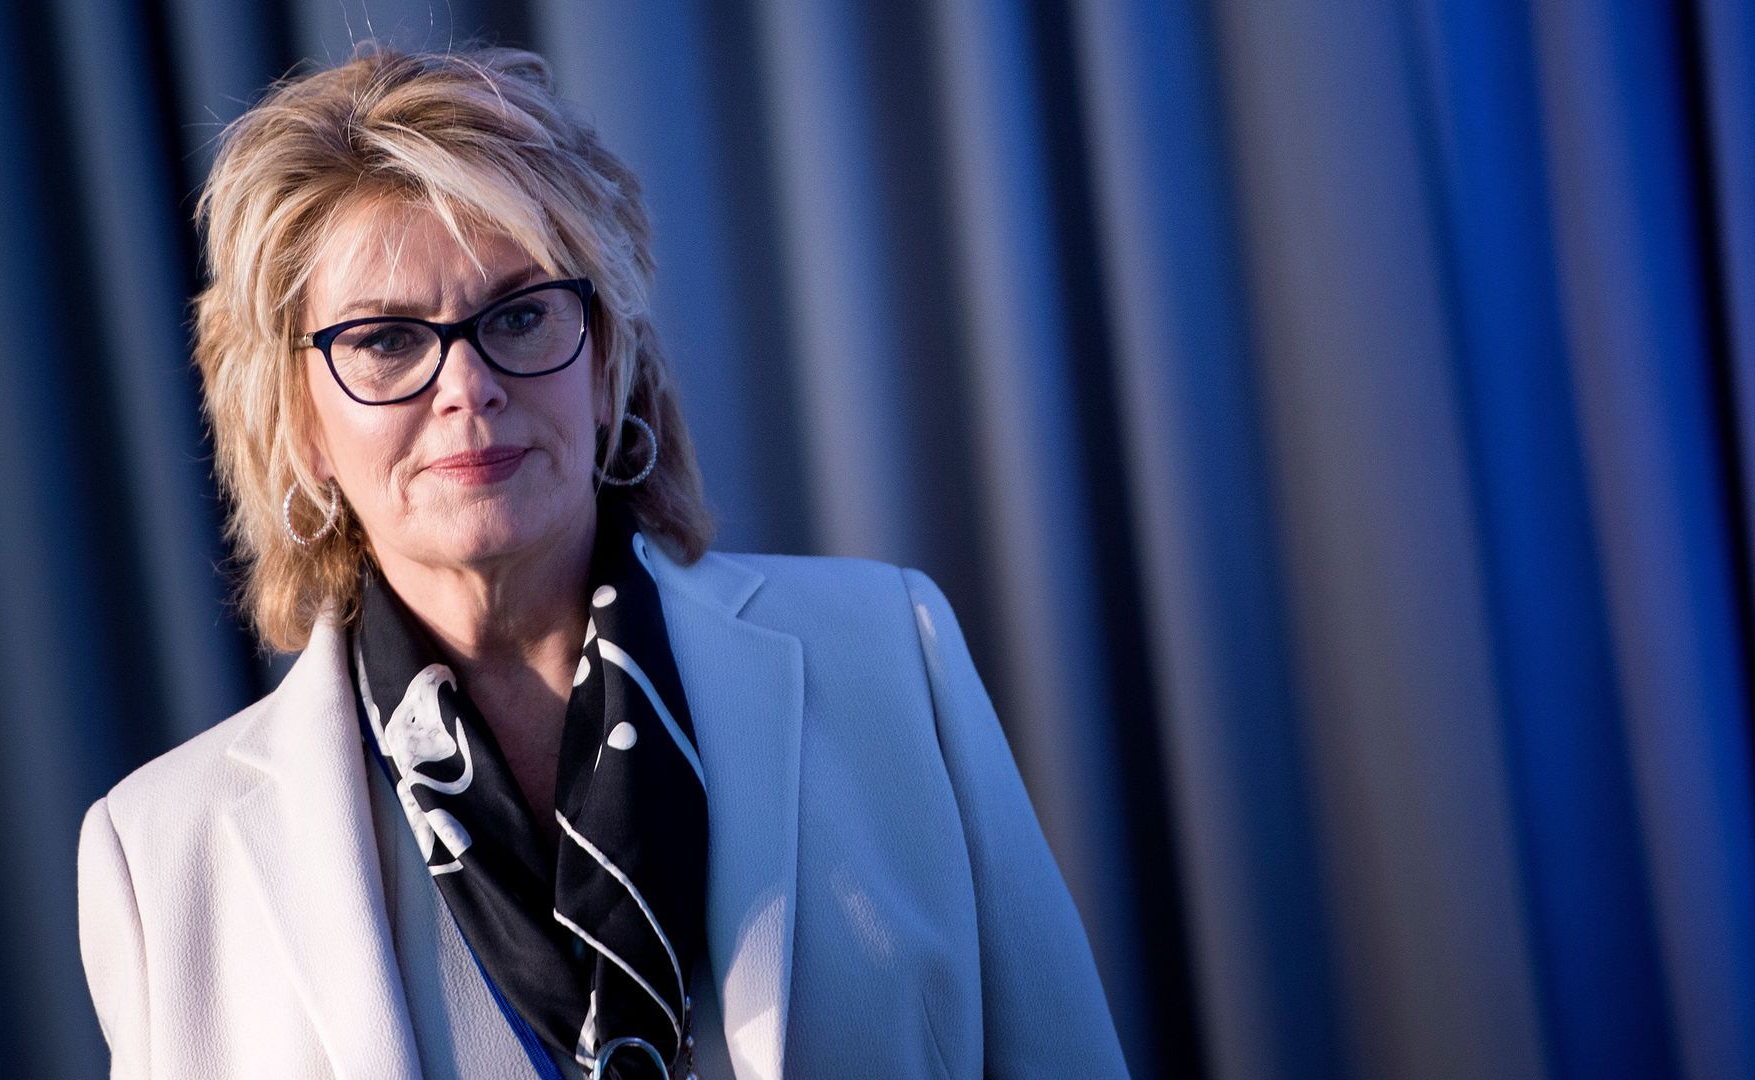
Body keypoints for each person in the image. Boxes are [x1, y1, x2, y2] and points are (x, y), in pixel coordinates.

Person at [75, 43, 1127, 1080]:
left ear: (608, 356)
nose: (467, 387)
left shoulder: (893, 658)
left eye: (521, 314)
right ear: (301, 422)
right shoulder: (164, 851)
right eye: (388, 341)